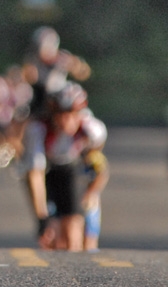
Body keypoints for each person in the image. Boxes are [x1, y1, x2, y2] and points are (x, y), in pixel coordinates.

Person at [21, 82, 108, 251]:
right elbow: (34, 175)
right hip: (48, 171)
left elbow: (101, 170)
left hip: (74, 170)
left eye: (73, 115)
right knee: (51, 238)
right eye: (61, 115)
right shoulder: (38, 129)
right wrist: (42, 218)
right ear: (52, 114)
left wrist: (91, 194)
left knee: (74, 235)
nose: (66, 121)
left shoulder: (93, 130)